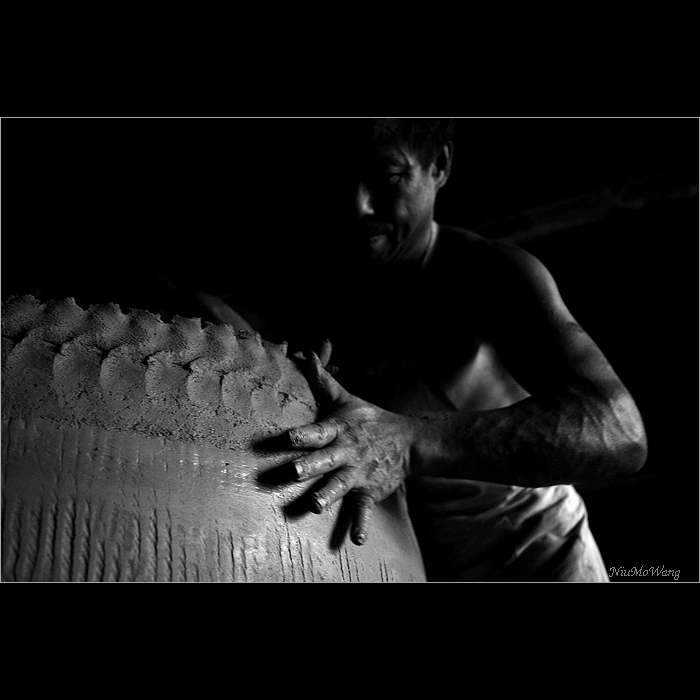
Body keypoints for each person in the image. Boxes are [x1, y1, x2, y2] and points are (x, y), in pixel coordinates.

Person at [256, 118, 649, 582]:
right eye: (341, 181)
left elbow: (619, 430)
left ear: (439, 165)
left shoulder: (489, 276)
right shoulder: (319, 292)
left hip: (538, 557)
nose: (359, 205)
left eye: (387, 177)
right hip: (424, 566)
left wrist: (408, 441)